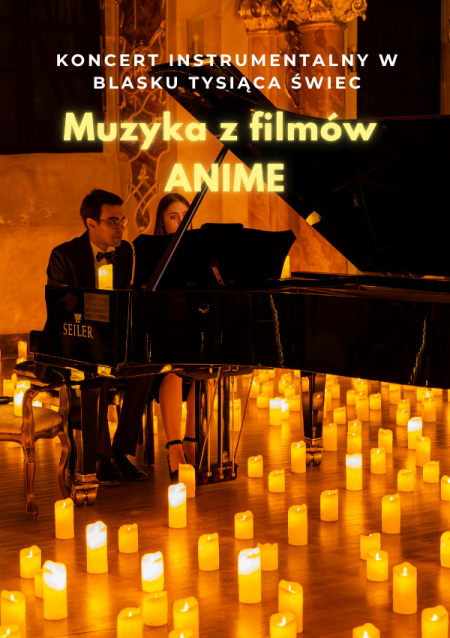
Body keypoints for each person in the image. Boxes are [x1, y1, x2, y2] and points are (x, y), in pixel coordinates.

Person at [47, 188, 149, 485]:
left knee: (147, 366)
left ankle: (120, 450)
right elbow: (62, 308)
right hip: (74, 339)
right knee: (96, 362)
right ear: (91, 224)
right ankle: (100, 456)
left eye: (122, 221)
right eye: (113, 221)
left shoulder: (126, 251)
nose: (121, 228)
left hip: (113, 338)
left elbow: (126, 298)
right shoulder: (64, 255)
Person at [151, 193, 196, 478]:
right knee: (174, 368)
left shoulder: (199, 253)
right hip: (158, 333)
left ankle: (192, 440)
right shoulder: (152, 252)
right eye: (173, 216)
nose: (180, 222)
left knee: (209, 370)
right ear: (162, 222)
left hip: (189, 329)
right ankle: (175, 446)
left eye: (185, 216)